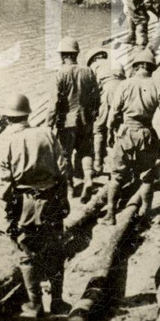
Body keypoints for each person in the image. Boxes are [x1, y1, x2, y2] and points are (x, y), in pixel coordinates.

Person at [0, 92, 70, 318]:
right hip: (51, 201)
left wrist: (7, 213)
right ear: (27, 114)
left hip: (24, 203)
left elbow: (4, 182)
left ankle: (35, 304)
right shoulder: (47, 133)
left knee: (26, 251)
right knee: (55, 250)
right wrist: (63, 199)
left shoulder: (6, 140)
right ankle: (57, 301)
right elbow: (64, 169)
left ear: (8, 117)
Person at [103, 48, 160, 226]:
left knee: (117, 176)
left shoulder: (125, 84)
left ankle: (110, 215)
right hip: (147, 134)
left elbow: (113, 114)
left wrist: (110, 131)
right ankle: (145, 212)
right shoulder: (158, 86)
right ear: (151, 68)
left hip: (126, 133)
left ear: (136, 66)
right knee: (147, 177)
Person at [47, 36, 100, 202]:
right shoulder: (89, 72)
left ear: (63, 55)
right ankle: (89, 179)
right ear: (76, 54)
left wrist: (49, 124)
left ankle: (70, 188)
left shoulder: (60, 74)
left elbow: (54, 102)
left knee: (65, 155)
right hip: (85, 120)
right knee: (85, 151)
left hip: (67, 121)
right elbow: (97, 98)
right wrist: (92, 115)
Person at [88, 47, 125, 175]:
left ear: (93, 59)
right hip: (123, 90)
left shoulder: (94, 66)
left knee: (98, 128)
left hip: (108, 91)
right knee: (119, 126)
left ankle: (98, 165)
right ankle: (120, 161)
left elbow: (93, 88)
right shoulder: (117, 62)